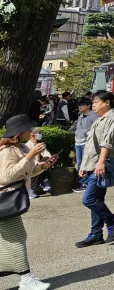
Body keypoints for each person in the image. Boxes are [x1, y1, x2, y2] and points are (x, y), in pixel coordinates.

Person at [0, 114, 54, 290]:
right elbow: (7, 176)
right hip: (5, 200)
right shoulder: (7, 151)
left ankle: (26, 279)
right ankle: (26, 280)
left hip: (10, 200)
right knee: (17, 238)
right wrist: (30, 155)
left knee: (12, 239)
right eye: (28, 128)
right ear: (18, 132)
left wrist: (44, 166)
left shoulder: (21, 147)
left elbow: (26, 173)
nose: (31, 131)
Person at [76, 90, 114, 247]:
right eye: (93, 102)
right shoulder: (98, 119)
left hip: (102, 164)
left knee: (88, 199)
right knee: (97, 199)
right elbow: (90, 145)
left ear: (107, 102)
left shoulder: (113, 117)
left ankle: (112, 220)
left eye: (96, 102)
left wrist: (101, 162)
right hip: (92, 164)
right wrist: (84, 166)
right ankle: (96, 233)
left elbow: (107, 143)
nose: (93, 105)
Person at [71, 97, 98, 193]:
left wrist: (88, 136)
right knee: (79, 163)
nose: (79, 107)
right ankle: (83, 182)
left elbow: (96, 129)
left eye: (81, 105)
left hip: (86, 143)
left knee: (85, 163)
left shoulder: (93, 116)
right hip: (78, 142)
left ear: (88, 105)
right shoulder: (80, 116)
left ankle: (85, 183)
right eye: (79, 105)